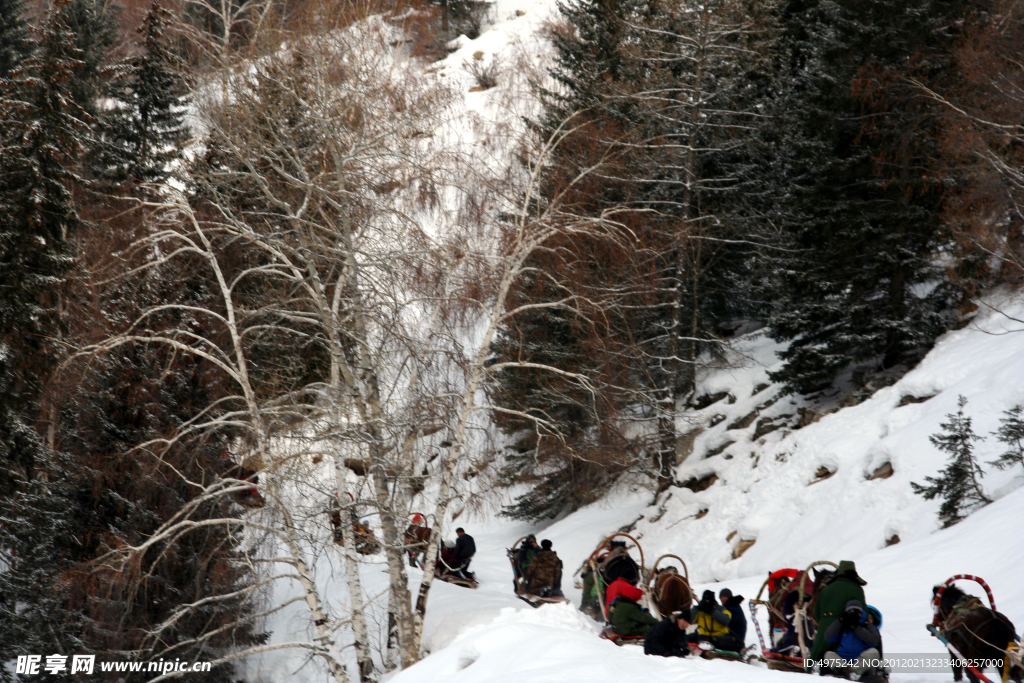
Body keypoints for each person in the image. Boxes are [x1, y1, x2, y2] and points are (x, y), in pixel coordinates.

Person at [810, 561, 867, 662]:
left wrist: (824, 624)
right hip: (846, 634)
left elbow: (816, 613)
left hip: (823, 633)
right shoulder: (857, 590)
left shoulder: (826, 589)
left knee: (815, 657)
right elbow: (864, 615)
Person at [821, 601, 884, 681]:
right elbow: (828, 637)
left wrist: (856, 627)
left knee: (873, 652)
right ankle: (847, 672)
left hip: (863, 664)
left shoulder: (867, 626)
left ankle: (852, 673)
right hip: (843, 662)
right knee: (828, 654)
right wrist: (840, 621)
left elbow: (874, 641)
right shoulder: (843, 625)